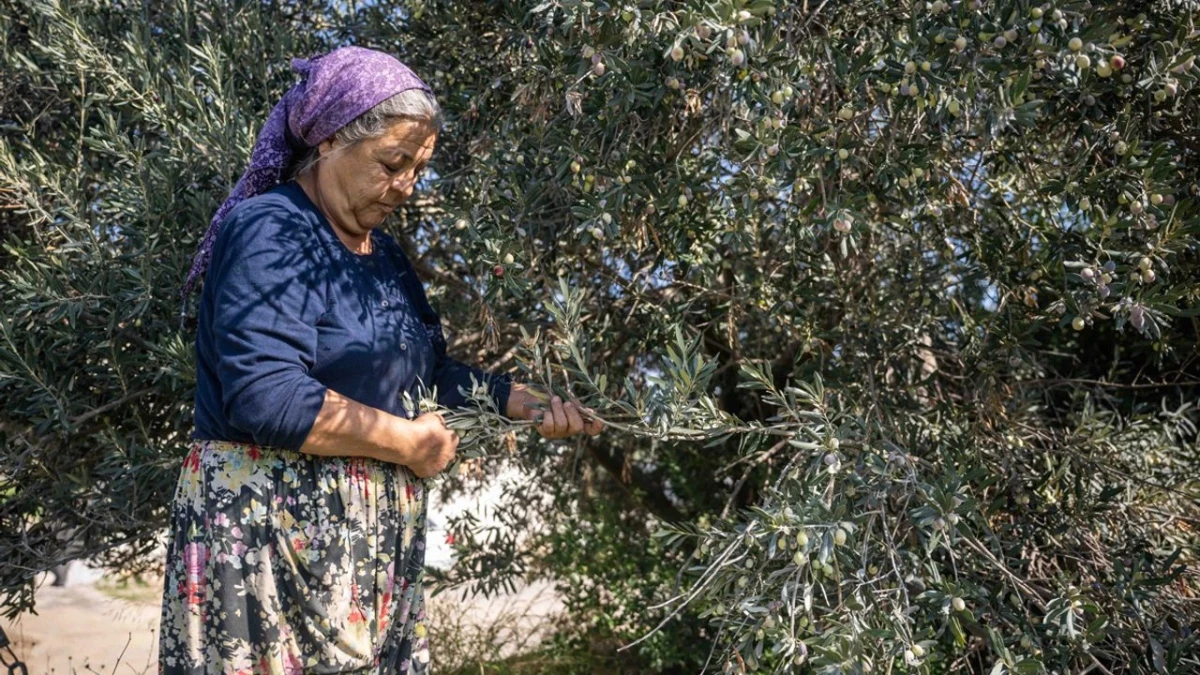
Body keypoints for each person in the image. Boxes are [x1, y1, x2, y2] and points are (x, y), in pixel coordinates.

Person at [159, 46, 602, 674]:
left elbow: (427, 377)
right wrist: (408, 445)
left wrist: (515, 401)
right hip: (267, 541)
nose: (405, 187)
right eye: (393, 163)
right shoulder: (270, 230)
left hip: (366, 550)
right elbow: (265, 395)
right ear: (334, 139)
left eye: (418, 169)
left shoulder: (385, 256)